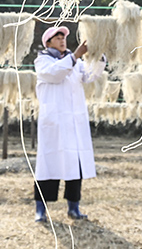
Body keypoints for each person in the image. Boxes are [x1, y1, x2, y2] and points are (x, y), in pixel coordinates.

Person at [33, 25, 106, 223]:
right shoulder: (43, 61)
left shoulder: (75, 62)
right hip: (55, 123)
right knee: (49, 166)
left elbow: (90, 76)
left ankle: (74, 208)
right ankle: (40, 209)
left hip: (74, 122)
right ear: (48, 43)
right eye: (57, 38)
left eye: (63, 37)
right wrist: (75, 56)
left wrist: (98, 58)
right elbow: (55, 74)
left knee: (75, 166)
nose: (62, 40)